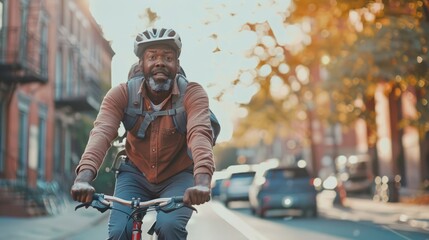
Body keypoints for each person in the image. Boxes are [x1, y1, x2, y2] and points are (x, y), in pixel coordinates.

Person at [70, 27, 215, 240]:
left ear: (177, 65)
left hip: (178, 175)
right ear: (141, 64)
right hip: (134, 174)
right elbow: (101, 133)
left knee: (170, 226)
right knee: (120, 231)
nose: (160, 62)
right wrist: (83, 178)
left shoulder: (192, 93)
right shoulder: (121, 94)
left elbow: (200, 134)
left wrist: (202, 182)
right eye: (152, 56)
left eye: (168, 57)